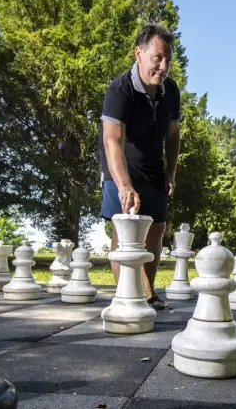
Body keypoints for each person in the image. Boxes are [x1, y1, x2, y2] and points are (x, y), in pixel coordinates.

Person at [99, 23, 181, 311]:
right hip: (119, 166)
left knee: (157, 228)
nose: (164, 65)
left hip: (153, 167)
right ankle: (128, 296)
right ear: (139, 54)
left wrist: (171, 172)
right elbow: (112, 141)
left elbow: (173, 136)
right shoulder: (119, 89)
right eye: (158, 57)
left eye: (168, 59)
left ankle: (149, 291)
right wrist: (123, 185)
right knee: (124, 230)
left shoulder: (171, 90)